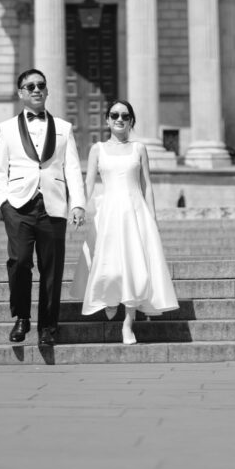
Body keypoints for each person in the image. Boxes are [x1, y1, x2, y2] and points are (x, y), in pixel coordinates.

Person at [0, 68, 86, 349]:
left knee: (52, 269)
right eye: (29, 86)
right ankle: (21, 317)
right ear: (20, 93)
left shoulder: (64, 128)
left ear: (47, 90)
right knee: (19, 262)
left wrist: (78, 203)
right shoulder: (6, 129)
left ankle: (48, 326)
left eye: (40, 85)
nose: (36, 89)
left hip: (53, 206)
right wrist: (3, 203)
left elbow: (72, 169)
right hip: (19, 205)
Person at [72, 98, 178, 345]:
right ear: (107, 119)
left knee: (135, 267)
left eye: (125, 116)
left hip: (135, 213)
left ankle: (128, 324)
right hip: (108, 212)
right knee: (108, 264)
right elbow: (88, 183)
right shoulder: (97, 149)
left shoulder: (139, 148)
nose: (119, 119)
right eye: (114, 115)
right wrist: (77, 207)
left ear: (131, 121)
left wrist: (153, 218)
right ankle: (109, 298)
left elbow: (147, 186)